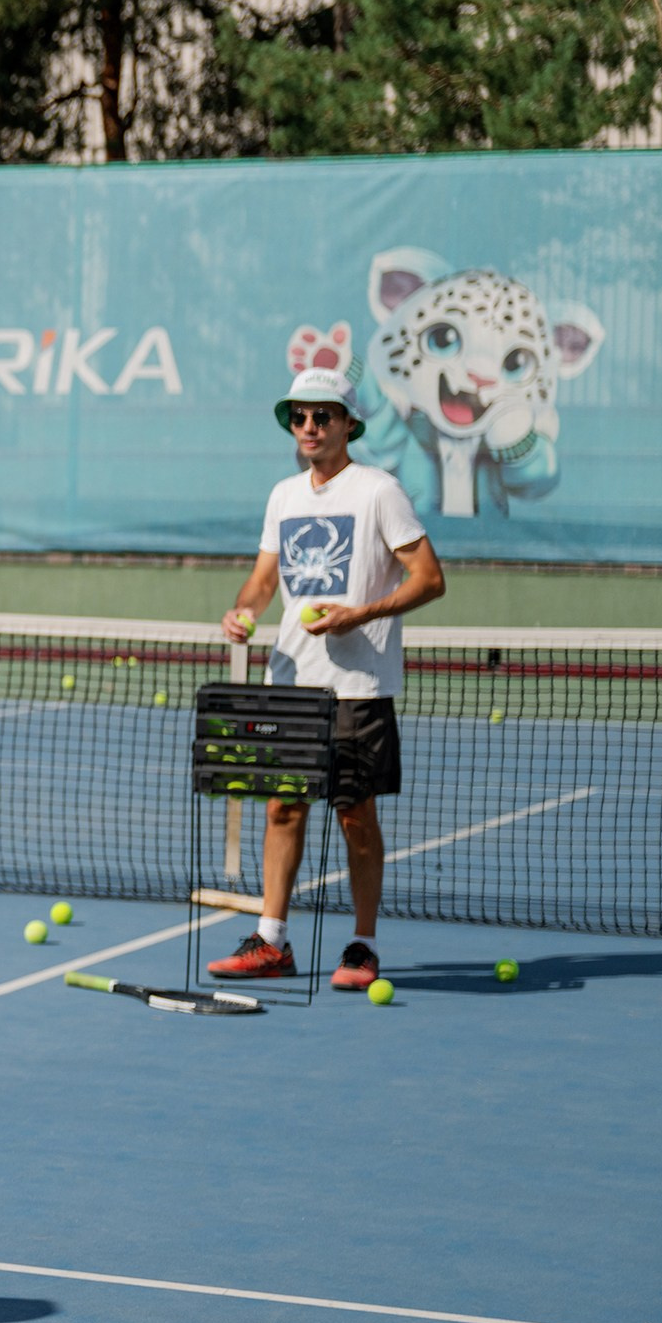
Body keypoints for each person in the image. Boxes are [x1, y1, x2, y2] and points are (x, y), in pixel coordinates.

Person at [211, 366, 445, 990]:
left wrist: (359, 614)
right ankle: (272, 942)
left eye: (322, 415)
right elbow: (263, 580)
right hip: (291, 685)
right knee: (282, 808)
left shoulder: (379, 492)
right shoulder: (283, 496)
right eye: (299, 416)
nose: (309, 426)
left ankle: (363, 946)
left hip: (358, 689)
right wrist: (242, 612)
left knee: (354, 818)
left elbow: (430, 579)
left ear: (347, 424)